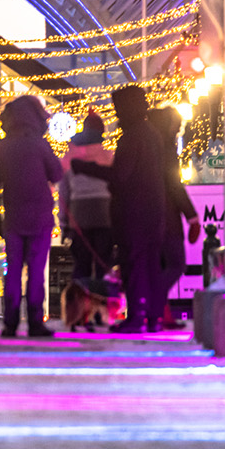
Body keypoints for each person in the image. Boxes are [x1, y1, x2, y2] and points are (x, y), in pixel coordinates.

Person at [69, 85, 169, 333]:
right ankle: (152, 317)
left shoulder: (132, 137)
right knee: (150, 265)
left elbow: (120, 175)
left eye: (118, 108)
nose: (116, 114)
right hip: (153, 209)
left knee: (134, 264)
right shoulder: (151, 135)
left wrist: (86, 168)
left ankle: (136, 317)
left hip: (133, 212)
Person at [0, 95, 64, 338]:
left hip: (13, 219)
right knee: (36, 272)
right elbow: (57, 174)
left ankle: (10, 324)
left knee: (13, 270)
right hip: (40, 217)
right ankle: (35, 322)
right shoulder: (40, 145)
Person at [145, 106, 201, 328]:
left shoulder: (148, 146)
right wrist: (192, 216)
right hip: (167, 217)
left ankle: (159, 314)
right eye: (177, 128)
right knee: (177, 264)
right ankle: (154, 303)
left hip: (149, 216)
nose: (178, 132)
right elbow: (174, 185)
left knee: (159, 265)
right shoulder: (166, 149)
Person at [59, 111, 113, 283]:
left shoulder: (69, 158)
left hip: (79, 214)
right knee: (104, 263)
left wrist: (64, 224)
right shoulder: (109, 156)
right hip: (104, 214)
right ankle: (102, 297)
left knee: (81, 264)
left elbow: (64, 193)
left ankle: (81, 296)